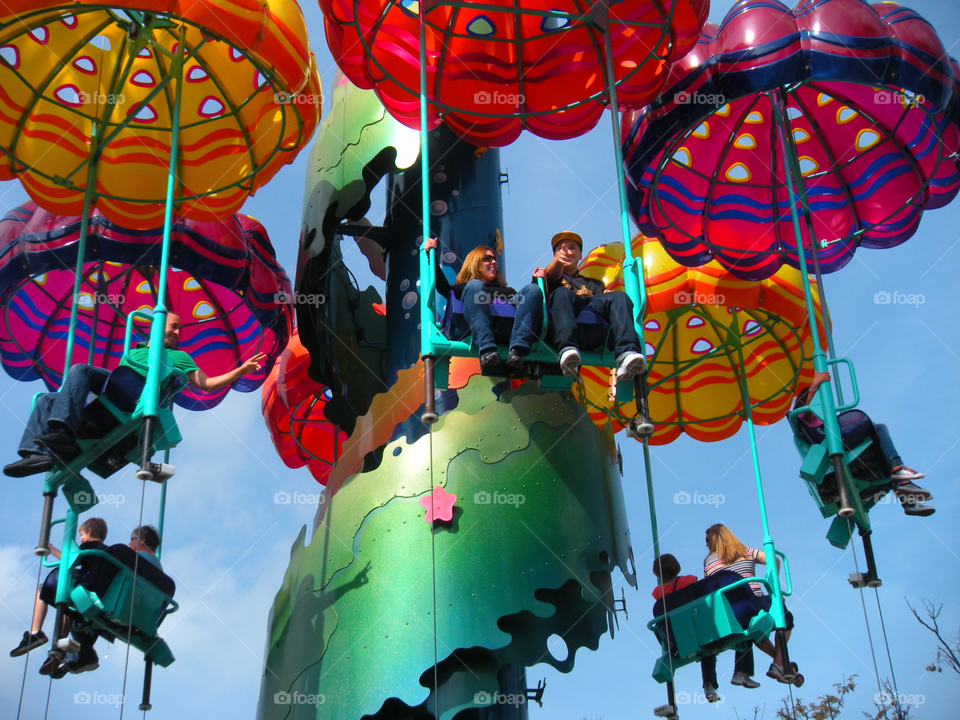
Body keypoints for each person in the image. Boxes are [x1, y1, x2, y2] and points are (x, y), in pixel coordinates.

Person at [4, 312, 266, 477]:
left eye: (178, 330)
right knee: (45, 399)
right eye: (173, 327)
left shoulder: (179, 356)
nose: (177, 333)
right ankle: (36, 455)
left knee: (81, 369)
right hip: (114, 390)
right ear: (156, 325)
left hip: (132, 393)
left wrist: (241, 370)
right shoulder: (135, 349)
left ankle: (62, 433)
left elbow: (207, 384)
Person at [793, 371, 934, 516]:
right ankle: (898, 469)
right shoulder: (803, 414)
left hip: (836, 442)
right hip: (835, 443)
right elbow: (805, 412)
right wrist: (814, 387)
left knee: (883, 460)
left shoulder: (819, 419)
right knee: (879, 428)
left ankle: (907, 495)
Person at [53, 525, 164, 676]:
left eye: (132, 540)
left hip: (117, 605)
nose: (129, 544)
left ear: (141, 541)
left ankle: (80, 652)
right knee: (95, 618)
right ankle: (79, 655)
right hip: (139, 619)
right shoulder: (159, 571)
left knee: (74, 598)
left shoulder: (134, 560)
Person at [535, 231, 645, 380]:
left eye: (572, 247)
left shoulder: (594, 284)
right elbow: (552, 275)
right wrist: (558, 262)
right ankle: (567, 349)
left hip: (591, 329)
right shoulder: (549, 276)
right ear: (554, 256)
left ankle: (627, 353)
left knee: (619, 296)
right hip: (558, 328)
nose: (567, 251)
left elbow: (603, 302)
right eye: (561, 249)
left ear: (580, 255)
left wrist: (609, 296)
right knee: (563, 293)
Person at [704, 524, 803, 688]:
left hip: (729, 611)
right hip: (753, 602)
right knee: (785, 617)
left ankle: (779, 663)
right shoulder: (745, 551)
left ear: (716, 538)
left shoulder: (708, 562)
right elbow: (774, 560)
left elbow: (710, 585)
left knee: (753, 628)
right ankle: (780, 663)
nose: (706, 544)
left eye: (707, 540)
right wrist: (774, 591)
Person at [426, 238, 543, 372]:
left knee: (533, 290)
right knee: (475, 285)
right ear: (475, 263)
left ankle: (518, 350)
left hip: (506, 327)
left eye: (495, 259)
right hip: (473, 325)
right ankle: (486, 349)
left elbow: (526, 305)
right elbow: (443, 288)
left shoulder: (507, 291)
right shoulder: (467, 287)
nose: (493, 262)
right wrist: (431, 256)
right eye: (487, 258)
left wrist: (536, 282)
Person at [652, 554, 752, 703]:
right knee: (743, 633)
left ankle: (708, 685)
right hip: (700, 627)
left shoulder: (658, 592)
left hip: (680, 637)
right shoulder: (688, 581)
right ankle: (741, 672)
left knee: (704, 650)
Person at [9, 517, 108, 665]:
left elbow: (70, 560)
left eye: (81, 535)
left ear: (89, 531)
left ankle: (36, 632)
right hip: (99, 595)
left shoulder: (89, 546)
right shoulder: (108, 552)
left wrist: (51, 549)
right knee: (67, 606)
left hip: (86, 587)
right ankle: (60, 644)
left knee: (45, 588)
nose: (81, 540)